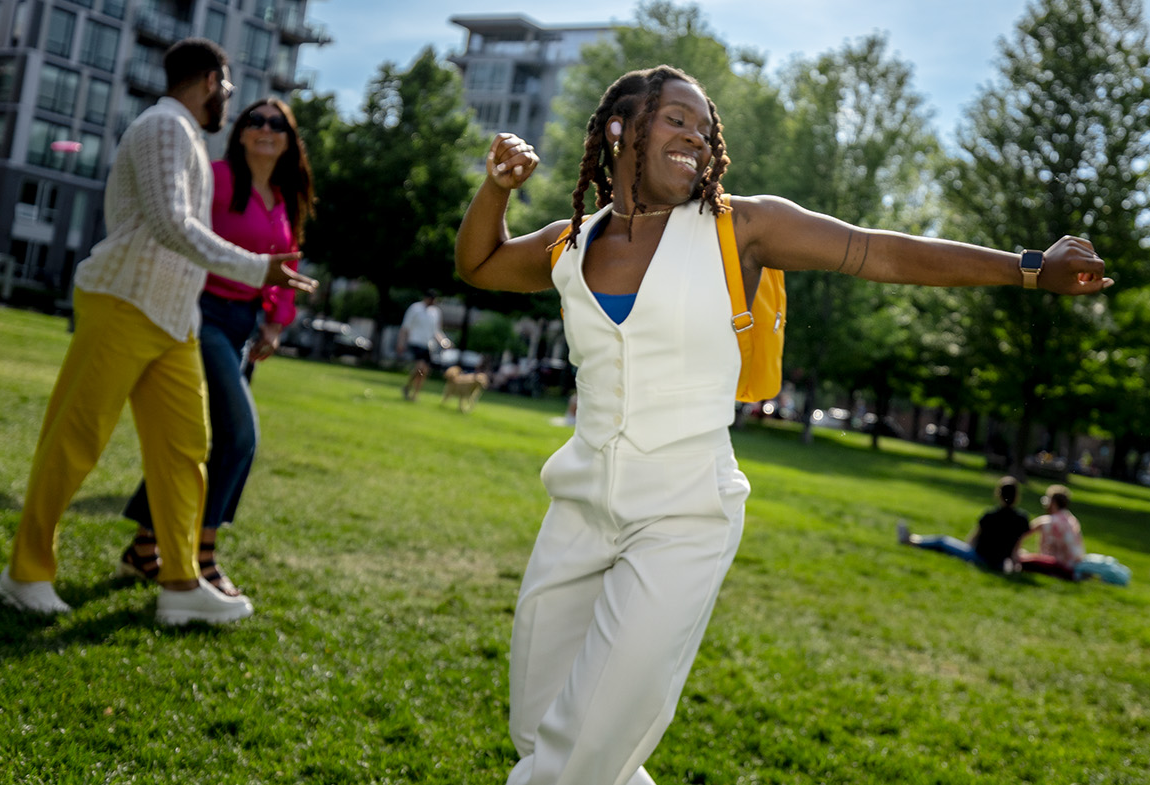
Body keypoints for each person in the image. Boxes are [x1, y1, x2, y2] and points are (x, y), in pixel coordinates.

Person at [454, 65, 1112, 785]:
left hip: (684, 513)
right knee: (541, 725)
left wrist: (1027, 268)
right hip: (579, 504)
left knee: (582, 749)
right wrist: (497, 187)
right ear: (619, 128)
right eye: (677, 120)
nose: (696, 140)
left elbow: (878, 251)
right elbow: (480, 263)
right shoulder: (570, 242)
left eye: (704, 130)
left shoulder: (740, 228)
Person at [0, 38, 315, 625]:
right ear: (212, 80)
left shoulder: (187, 134)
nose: (229, 101)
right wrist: (254, 267)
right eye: (230, 89)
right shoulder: (165, 125)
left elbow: (178, 235)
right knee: (76, 440)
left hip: (174, 319)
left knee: (186, 451)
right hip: (122, 302)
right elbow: (172, 224)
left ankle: (180, 582)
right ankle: (24, 573)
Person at [116, 97, 315, 597]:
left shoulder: (286, 198)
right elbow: (189, 239)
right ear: (241, 132)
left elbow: (284, 270)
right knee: (241, 435)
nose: (265, 129)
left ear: (289, 140)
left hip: (245, 327)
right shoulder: (217, 178)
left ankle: (145, 547)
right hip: (202, 315)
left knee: (204, 439)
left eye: (277, 124)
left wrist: (274, 323)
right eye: (255, 121)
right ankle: (201, 558)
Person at [897, 476, 1033, 572]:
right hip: (1000, 563)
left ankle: (911, 540)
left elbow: (972, 539)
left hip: (980, 558)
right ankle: (911, 540)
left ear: (998, 494)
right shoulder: (1022, 519)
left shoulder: (990, 515)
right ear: (1017, 496)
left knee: (943, 541)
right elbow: (1016, 548)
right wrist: (1015, 566)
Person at [1019, 483, 1086, 580]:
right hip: (1075, 567)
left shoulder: (1047, 521)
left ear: (1053, 503)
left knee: (1021, 559)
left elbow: (1022, 535)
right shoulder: (1072, 520)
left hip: (1060, 567)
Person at [397, 289, 451, 400]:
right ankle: (410, 391)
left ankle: (413, 392)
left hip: (428, 344)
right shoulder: (415, 308)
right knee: (420, 367)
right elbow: (405, 327)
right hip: (415, 341)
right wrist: (401, 343)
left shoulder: (435, 312)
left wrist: (444, 342)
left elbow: (436, 330)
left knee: (424, 371)